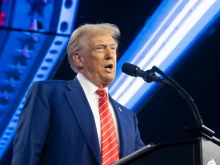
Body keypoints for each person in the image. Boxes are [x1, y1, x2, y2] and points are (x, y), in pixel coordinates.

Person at [12, 23, 145, 165]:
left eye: (113, 48)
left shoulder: (128, 117)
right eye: (100, 48)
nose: (110, 55)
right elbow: (26, 155)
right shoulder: (49, 94)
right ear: (78, 59)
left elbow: (144, 161)